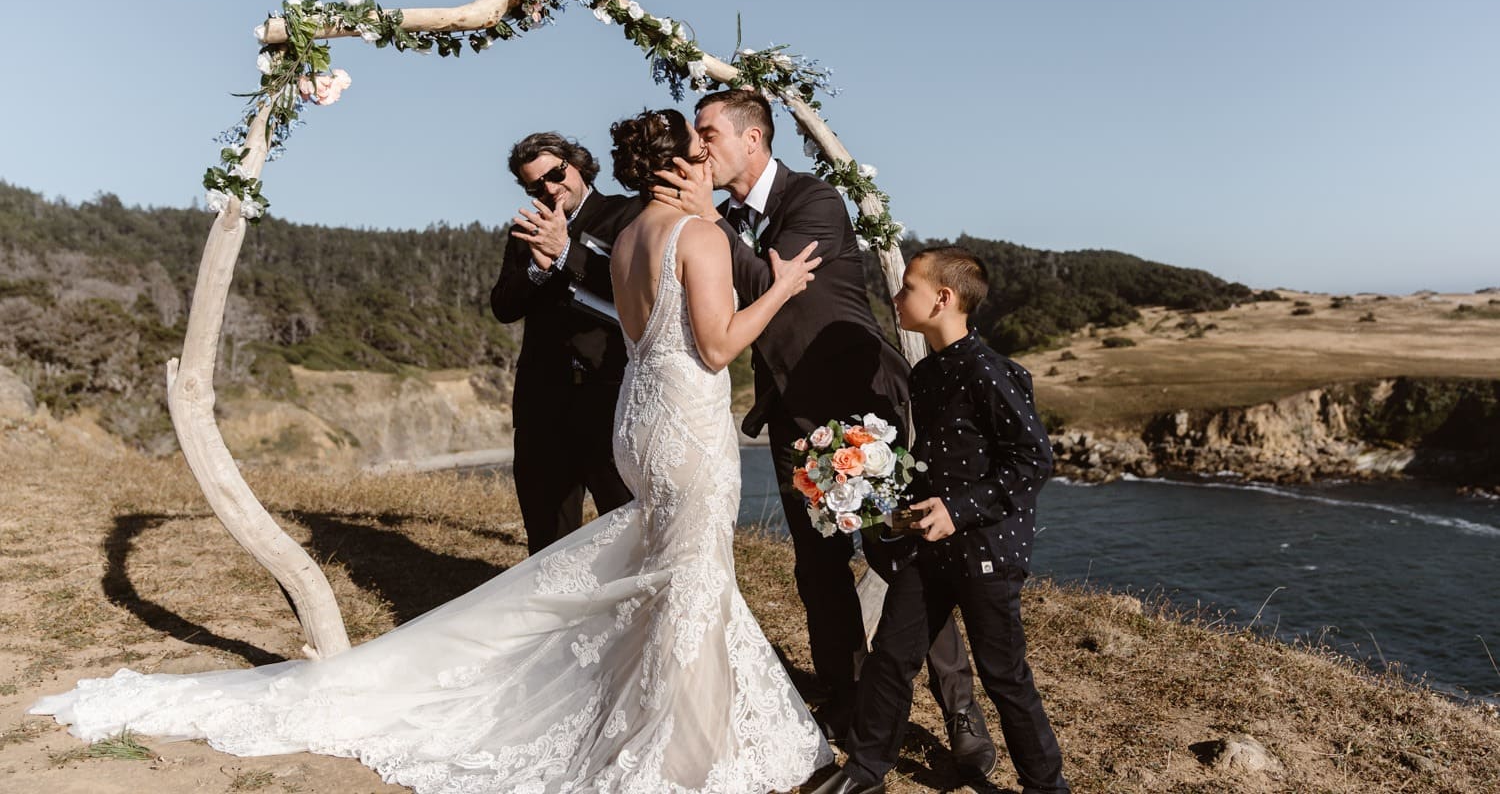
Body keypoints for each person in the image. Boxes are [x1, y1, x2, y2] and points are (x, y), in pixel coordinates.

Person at [30, 109, 834, 794]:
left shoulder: (626, 240)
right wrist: (781, 289)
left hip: (637, 423)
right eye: (703, 154)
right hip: (688, 427)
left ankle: (672, 718)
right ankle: (683, 749)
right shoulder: (693, 233)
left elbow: (635, 328)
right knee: (691, 575)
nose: (713, 164)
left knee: (673, 577)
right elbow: (720, 345)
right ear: (684, 166)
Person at [652, 90, 995, 770]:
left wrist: (705, 224)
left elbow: (772, 289)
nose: (698, 146)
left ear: (753, 140)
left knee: (901, 559)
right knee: (818, 568)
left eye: (708, 131)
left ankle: (961, 710)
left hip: (856, 408)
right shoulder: (717, 219)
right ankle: (849, 696)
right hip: (790, 416)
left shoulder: (813, 202)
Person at [811, 247, 1070, 794]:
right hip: (929, 550)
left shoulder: (993, 372)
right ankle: (865, 769)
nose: (897, 296)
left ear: (944, 299)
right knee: (891, 657)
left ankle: (1047, 787)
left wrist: (959, 510)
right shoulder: (926, 374)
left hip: (987, 553)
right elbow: (932, 463)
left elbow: (1033, 460)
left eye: (907, 287)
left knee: (1004, 677)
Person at [490, 132, 638, 553]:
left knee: (625, 531)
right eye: (536, 186)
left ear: (577, 164)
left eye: (556, 174)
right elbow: (502, 306)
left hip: (609, 401)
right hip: (542, 407)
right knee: (548, 541)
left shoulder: (627, 215)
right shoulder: (525, 230)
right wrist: (537, 270)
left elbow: (633, 290)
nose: (551, 189)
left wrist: (565, 252)